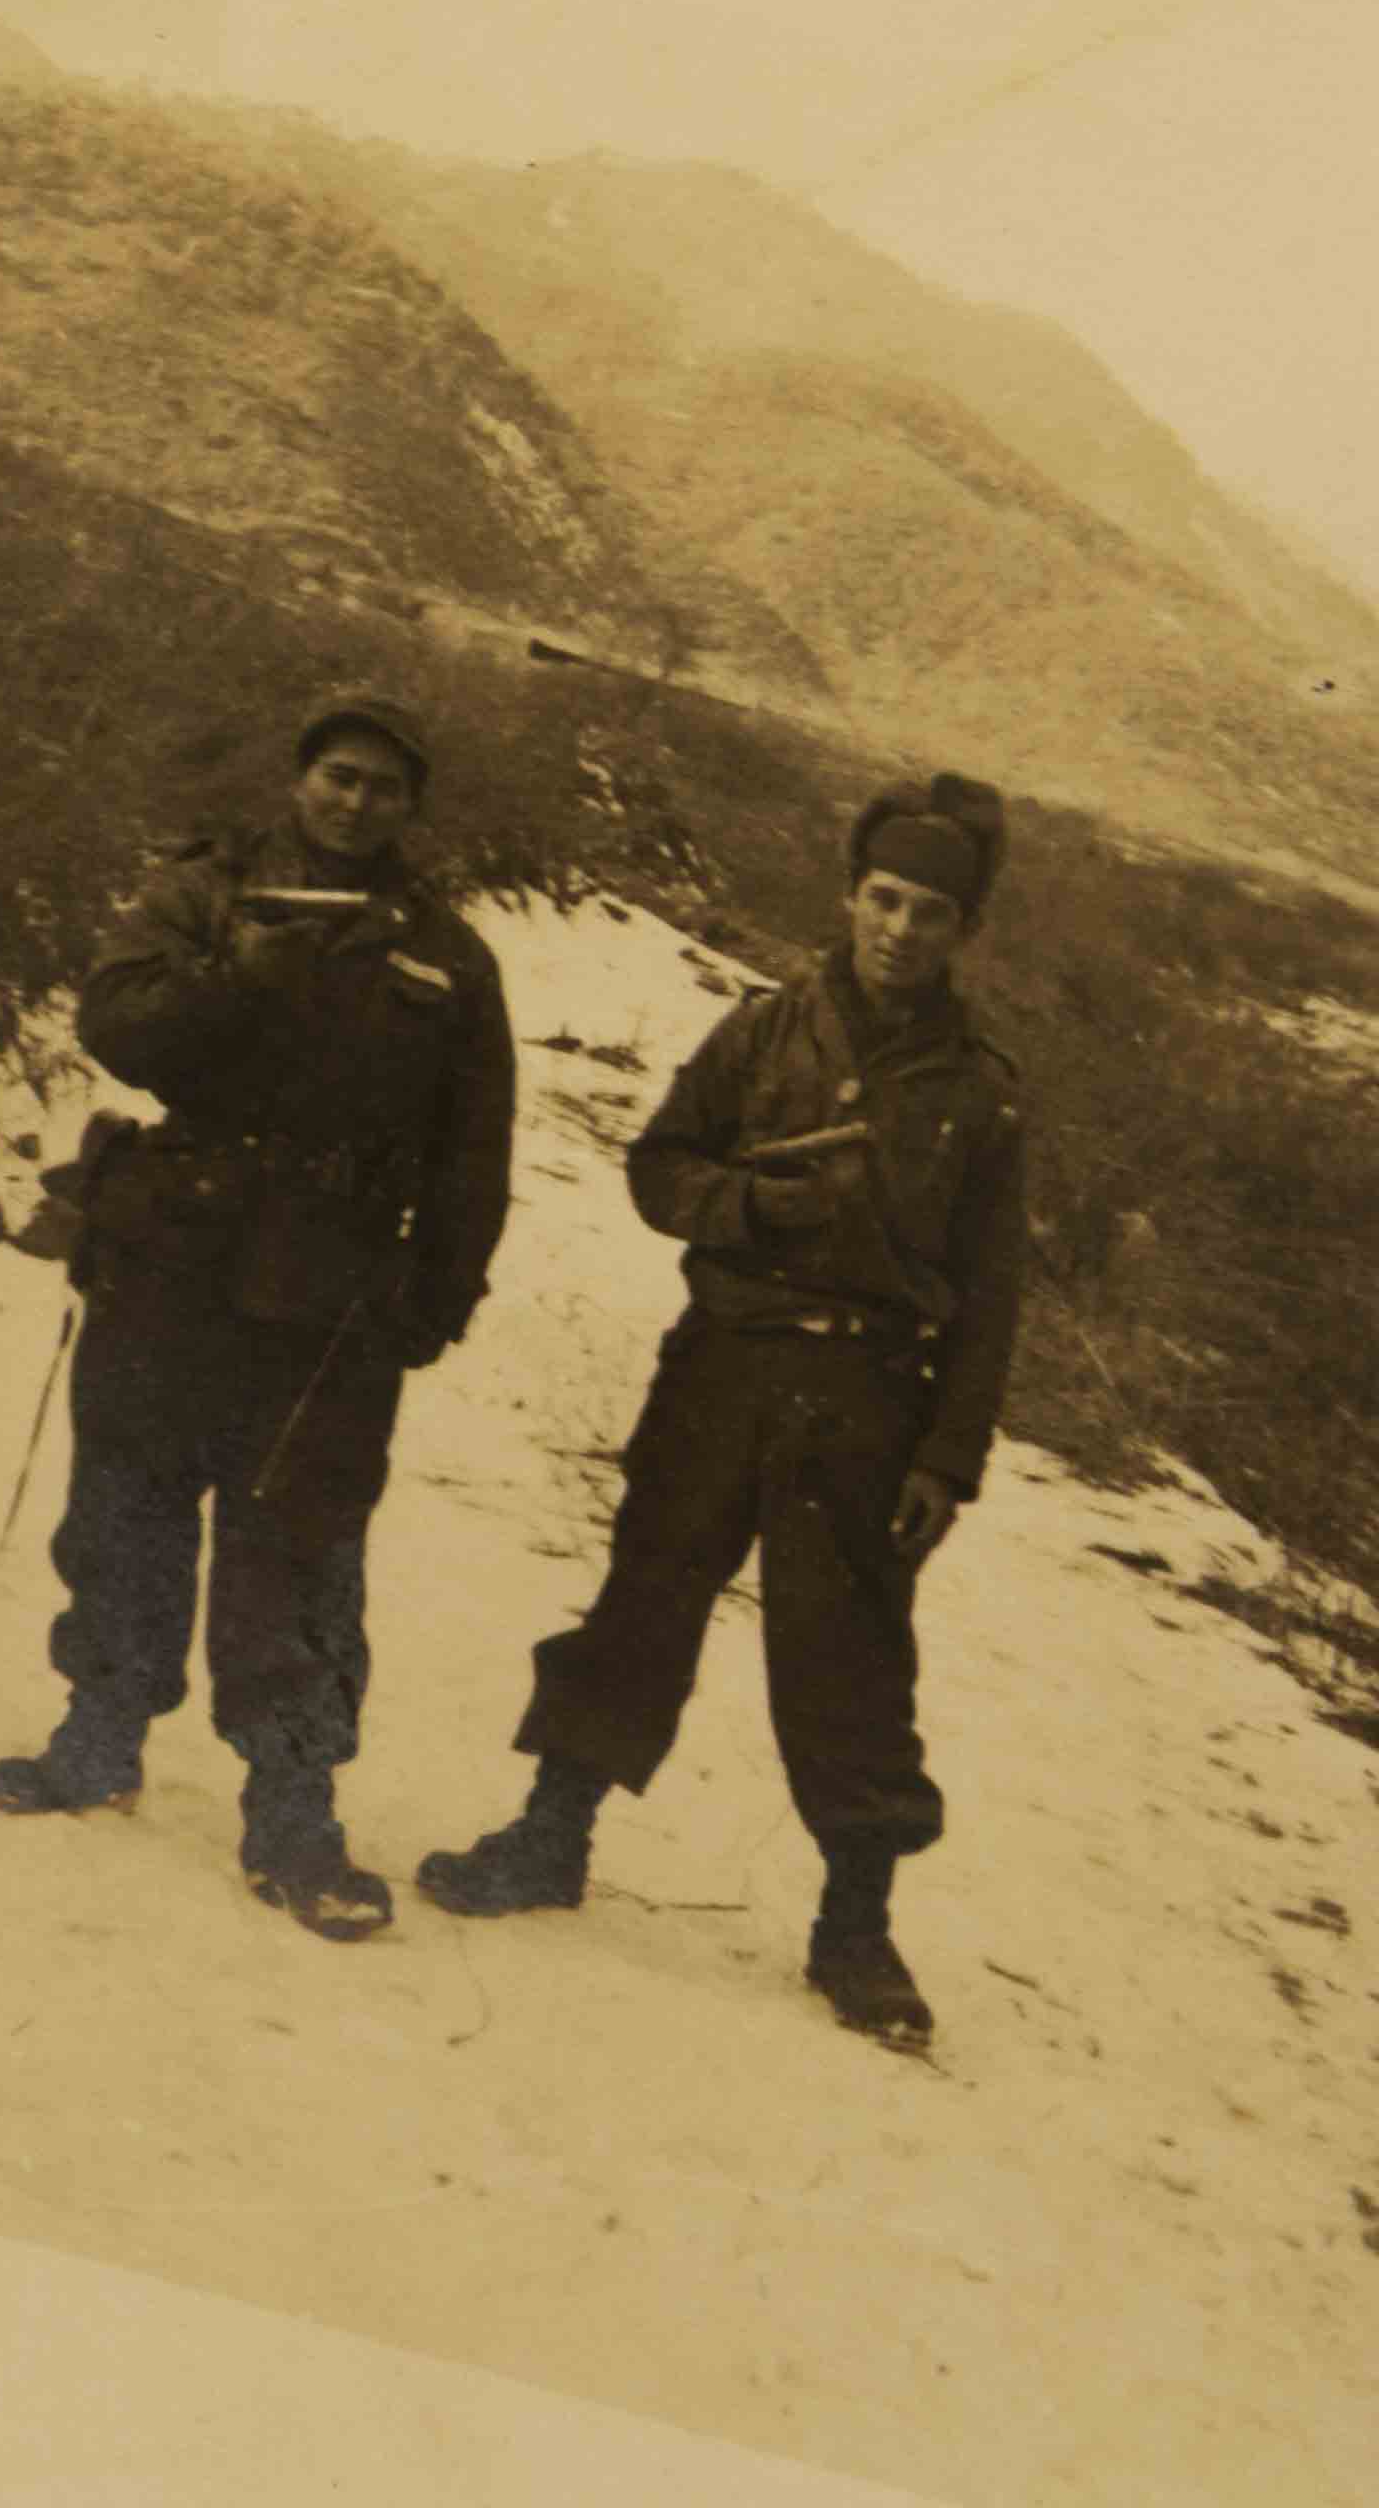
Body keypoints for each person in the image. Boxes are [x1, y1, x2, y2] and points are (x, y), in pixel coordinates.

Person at [417, 775, 1035, 2049]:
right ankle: (550, 1834)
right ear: (850, 896)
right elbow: (658, 1167)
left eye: (931, 911)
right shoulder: (762, 1032)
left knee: (849, 1658)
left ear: (964, 931)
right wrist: (748, 1212)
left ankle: (853, 1928)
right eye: (884, 897)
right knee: (645, 1593)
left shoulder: (981, 1094)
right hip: (725, 1364)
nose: (900, 928)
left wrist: (951, 1456)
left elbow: (989, 1298)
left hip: (867, 1396)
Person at [0, 697, 516, 1939]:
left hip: (329, 1294)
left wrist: (438, 1294)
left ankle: (293, 1811)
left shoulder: (447, 952)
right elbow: (113, 1024)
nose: (354, 801)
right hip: (174, 1255)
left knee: (304, 1543)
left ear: (411, 807)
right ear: (299, 779)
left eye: (385, 786)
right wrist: (237, 979)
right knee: (127, 1502)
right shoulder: (203, 893)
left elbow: (473, 1144)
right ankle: (98, 1736)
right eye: (337, 776)